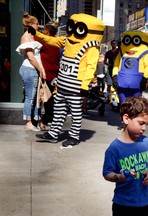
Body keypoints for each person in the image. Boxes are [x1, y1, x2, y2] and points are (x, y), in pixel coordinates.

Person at [31, 14, 105, 148]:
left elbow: (91, 66)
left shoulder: (91, 46)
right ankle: (53, 134)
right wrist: (36, 34)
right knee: (58, 110)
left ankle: (74, 136)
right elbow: (51, 41)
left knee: (75, 112)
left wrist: (84, 84)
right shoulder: (67, 40)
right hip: (62, 84)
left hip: (76, 86)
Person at [102, 96, 148, 216]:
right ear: (126, 118)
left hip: (146, 203)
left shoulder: (146, 143)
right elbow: (107, 173)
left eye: (146, 124)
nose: (144, 128)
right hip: (124, 204)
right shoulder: (114, 148)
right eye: (141, 123)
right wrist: (118, 177)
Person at [16, 13, 46, 131]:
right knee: (30, 97)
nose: (39, 25)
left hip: (33, 70)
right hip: (29, 69)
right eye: (37, 23)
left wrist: (41, 70)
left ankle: (37, 121)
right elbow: (31, 57)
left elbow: (37, 57)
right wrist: (40, 69)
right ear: (31, 24)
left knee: (35, 97)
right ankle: (28, 122)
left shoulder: (32, 37)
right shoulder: (26, 37)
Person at [35, 21, 61, 128]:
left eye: (44, 30)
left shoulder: (45, 42)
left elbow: (34, 36)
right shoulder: (56, 42)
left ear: (47, 31)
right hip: (54, 74)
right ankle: (47, 119)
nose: (42, 31)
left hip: (47, 75)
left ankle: (46, 118)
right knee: (49, 99)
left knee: (45, 99)